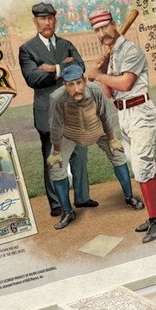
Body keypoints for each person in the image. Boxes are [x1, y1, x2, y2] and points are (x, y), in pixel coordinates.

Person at [86, 8, 156, 243]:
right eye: (97, 30)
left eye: (104, 27)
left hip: (140, 111)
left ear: (113, 24)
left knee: (141, 167)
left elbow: (126, 83)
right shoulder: (112, 55)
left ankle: (154, 220)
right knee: (145, 166)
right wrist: (102, 71)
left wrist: (98, 75)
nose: (102, 33)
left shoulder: (131, 50)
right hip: (124, 114)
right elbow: (110, 93)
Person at [18, 2, 94, 216]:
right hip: (48, 113)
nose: (47, 22)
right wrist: (65, 68)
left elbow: (80, 67)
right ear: (35, 21)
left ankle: (82, 197)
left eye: (50, 18)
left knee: (80, 153)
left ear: (55, 20)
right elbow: (33, 78)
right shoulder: (27, 49)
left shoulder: (66, 44)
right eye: (42, 19)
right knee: (52, 158)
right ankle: (58, 204)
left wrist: (53, 68)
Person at [47, 63, 143, 230]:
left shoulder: (96, 90)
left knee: (118, 154)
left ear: (84, 80)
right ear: (65, 85)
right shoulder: (57, 98)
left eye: (79, 83)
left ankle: (129, 198)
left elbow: (105, 116)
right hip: (70, 133)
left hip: (97, 128)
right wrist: (56, 151)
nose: (76, 88)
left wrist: (112, 139)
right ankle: (67, 212)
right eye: (71, 84)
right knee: (56, 167)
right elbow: (55, 125)